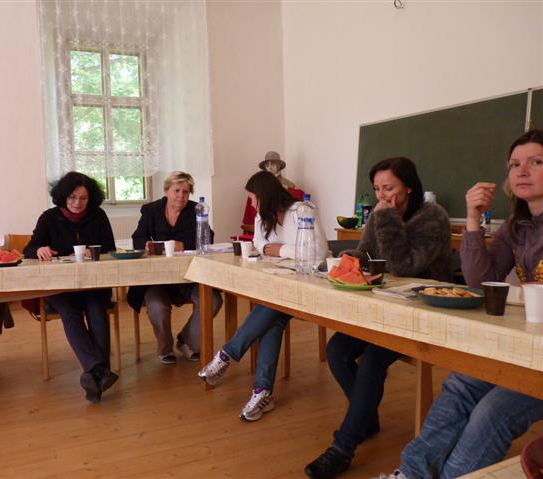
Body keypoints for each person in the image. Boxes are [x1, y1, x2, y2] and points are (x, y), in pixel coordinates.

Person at [379, 129, 543, 479]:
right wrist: (472, 218)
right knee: (461, 384)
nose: (522, 171)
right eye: (514, 164)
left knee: (493, 410)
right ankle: (411, 473)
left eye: (536, 162)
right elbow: (478, 283)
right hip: (522, 344)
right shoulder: (515, 226)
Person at [305, 157, 451, 478]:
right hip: (384, 307)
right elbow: (367, 252)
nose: (382, 196)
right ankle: (366, 418)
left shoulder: (433, 218)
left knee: (372, 360)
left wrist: (385, 218)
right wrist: (346, 259)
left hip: (422, 311)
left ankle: (343, 447)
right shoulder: (380, 214)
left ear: (409, 187)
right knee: (337, 351)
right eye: (377, 189)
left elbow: (403, 266)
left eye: (389, 188)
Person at [198, 170, 328, 421]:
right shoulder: (263, 216)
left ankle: (226, 355)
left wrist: (280, 250)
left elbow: (318, 252)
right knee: (273, 319)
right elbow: (259, 243)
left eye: (253, 198)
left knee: (270, 307)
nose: (251, 204)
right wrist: (276, 249)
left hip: (309, 285)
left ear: (265, 195)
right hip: (279, 286)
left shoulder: (302, 211)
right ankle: (262, 392)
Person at [23, 171, 118, 403]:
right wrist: (39, 249)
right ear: (63, 196)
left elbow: (110, 248)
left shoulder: (98, 216)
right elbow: (29, 249)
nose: (77, 203)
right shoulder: (49, 217)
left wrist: (95, 252)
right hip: (61, 287)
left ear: (90, 198)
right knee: (69, 312)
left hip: (94, 283)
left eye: (83, 198)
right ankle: (99, 371)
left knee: (97, 309)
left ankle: (95, 372)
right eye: (73, 197)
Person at [127, 171, 223, 364]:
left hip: (190, 277)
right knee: (157, 306)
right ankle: (165, 348)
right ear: (166, 191)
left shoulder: (196, 210)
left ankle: (186, 341)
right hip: (157, 278)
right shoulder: (151, 210)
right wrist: (146, 245)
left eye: (185, 192)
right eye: (176, 190)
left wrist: (183, 245)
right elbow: (137, 238)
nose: (181, 196)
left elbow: (208, 238)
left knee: (213, 300)